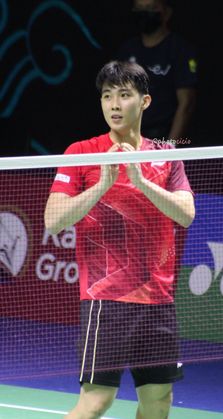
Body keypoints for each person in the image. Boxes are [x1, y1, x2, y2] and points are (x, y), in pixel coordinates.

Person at [44, 60, 195, 419]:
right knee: (97, 402)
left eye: (124, 95)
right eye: (107, 96)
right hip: (105, 300)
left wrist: (142, 181)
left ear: (144, 102)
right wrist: (101, 185)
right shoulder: (82, 152)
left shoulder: (166, 155)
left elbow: (186, 214)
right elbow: (53, 220)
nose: (113, 104)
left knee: (158, 403)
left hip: (158, 300)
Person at [116, 0, 197, 146]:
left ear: (167, 13)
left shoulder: (179, 50)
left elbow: (187, 102)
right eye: (139, 9)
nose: (144, 13)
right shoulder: (127, 50)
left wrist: (169, 148)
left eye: (151, 8)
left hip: (164, 137)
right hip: (132, 141)